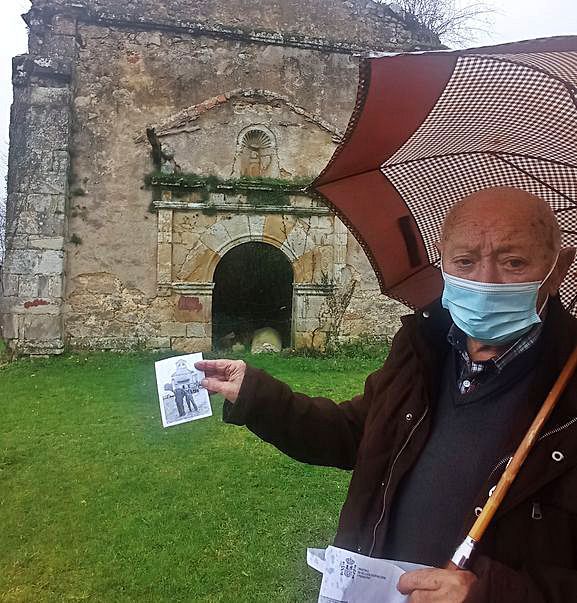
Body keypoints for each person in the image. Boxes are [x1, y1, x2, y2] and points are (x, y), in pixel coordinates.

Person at [196, 187, 577, 603]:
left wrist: (491, 594)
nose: (485, 282)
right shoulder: (421, 346)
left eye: (513, 262)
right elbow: (360, 434)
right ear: (443, 265)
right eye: (465, 262)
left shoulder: (569, 385)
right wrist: (256, 394)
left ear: (558, 269)